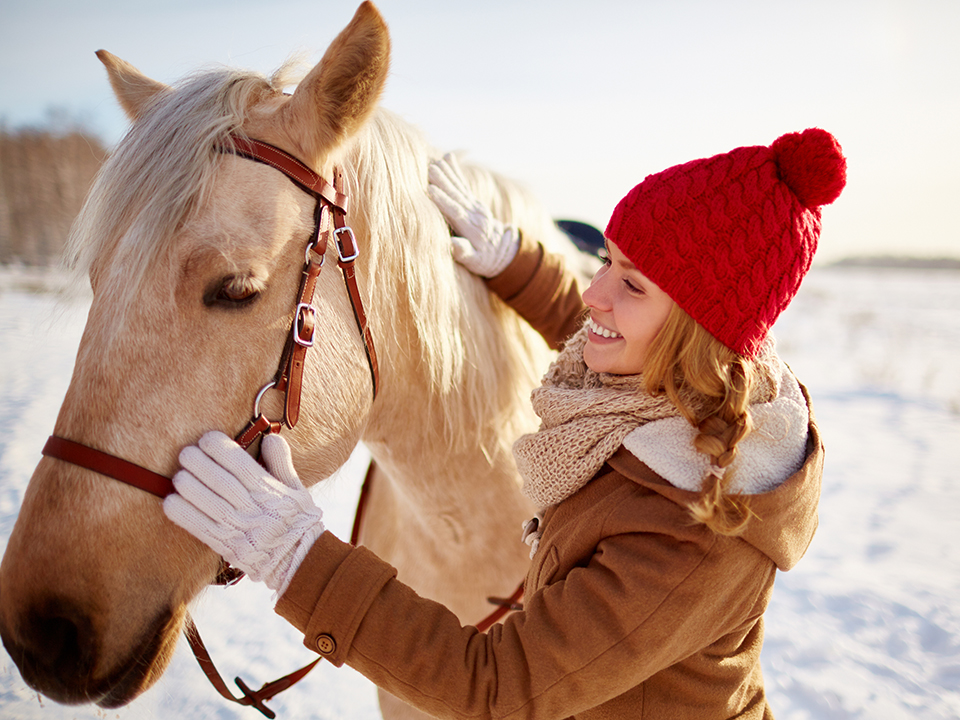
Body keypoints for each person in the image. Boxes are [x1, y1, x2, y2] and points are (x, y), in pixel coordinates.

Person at [164, 127, 846, 719]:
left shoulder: (693, 535)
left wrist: (296, 559)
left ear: (699, 330)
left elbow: (495, 686)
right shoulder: (688, 379)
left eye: (632, 284)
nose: (595, 292)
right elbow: (586, 331)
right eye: (607, 260)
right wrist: (510, 257)